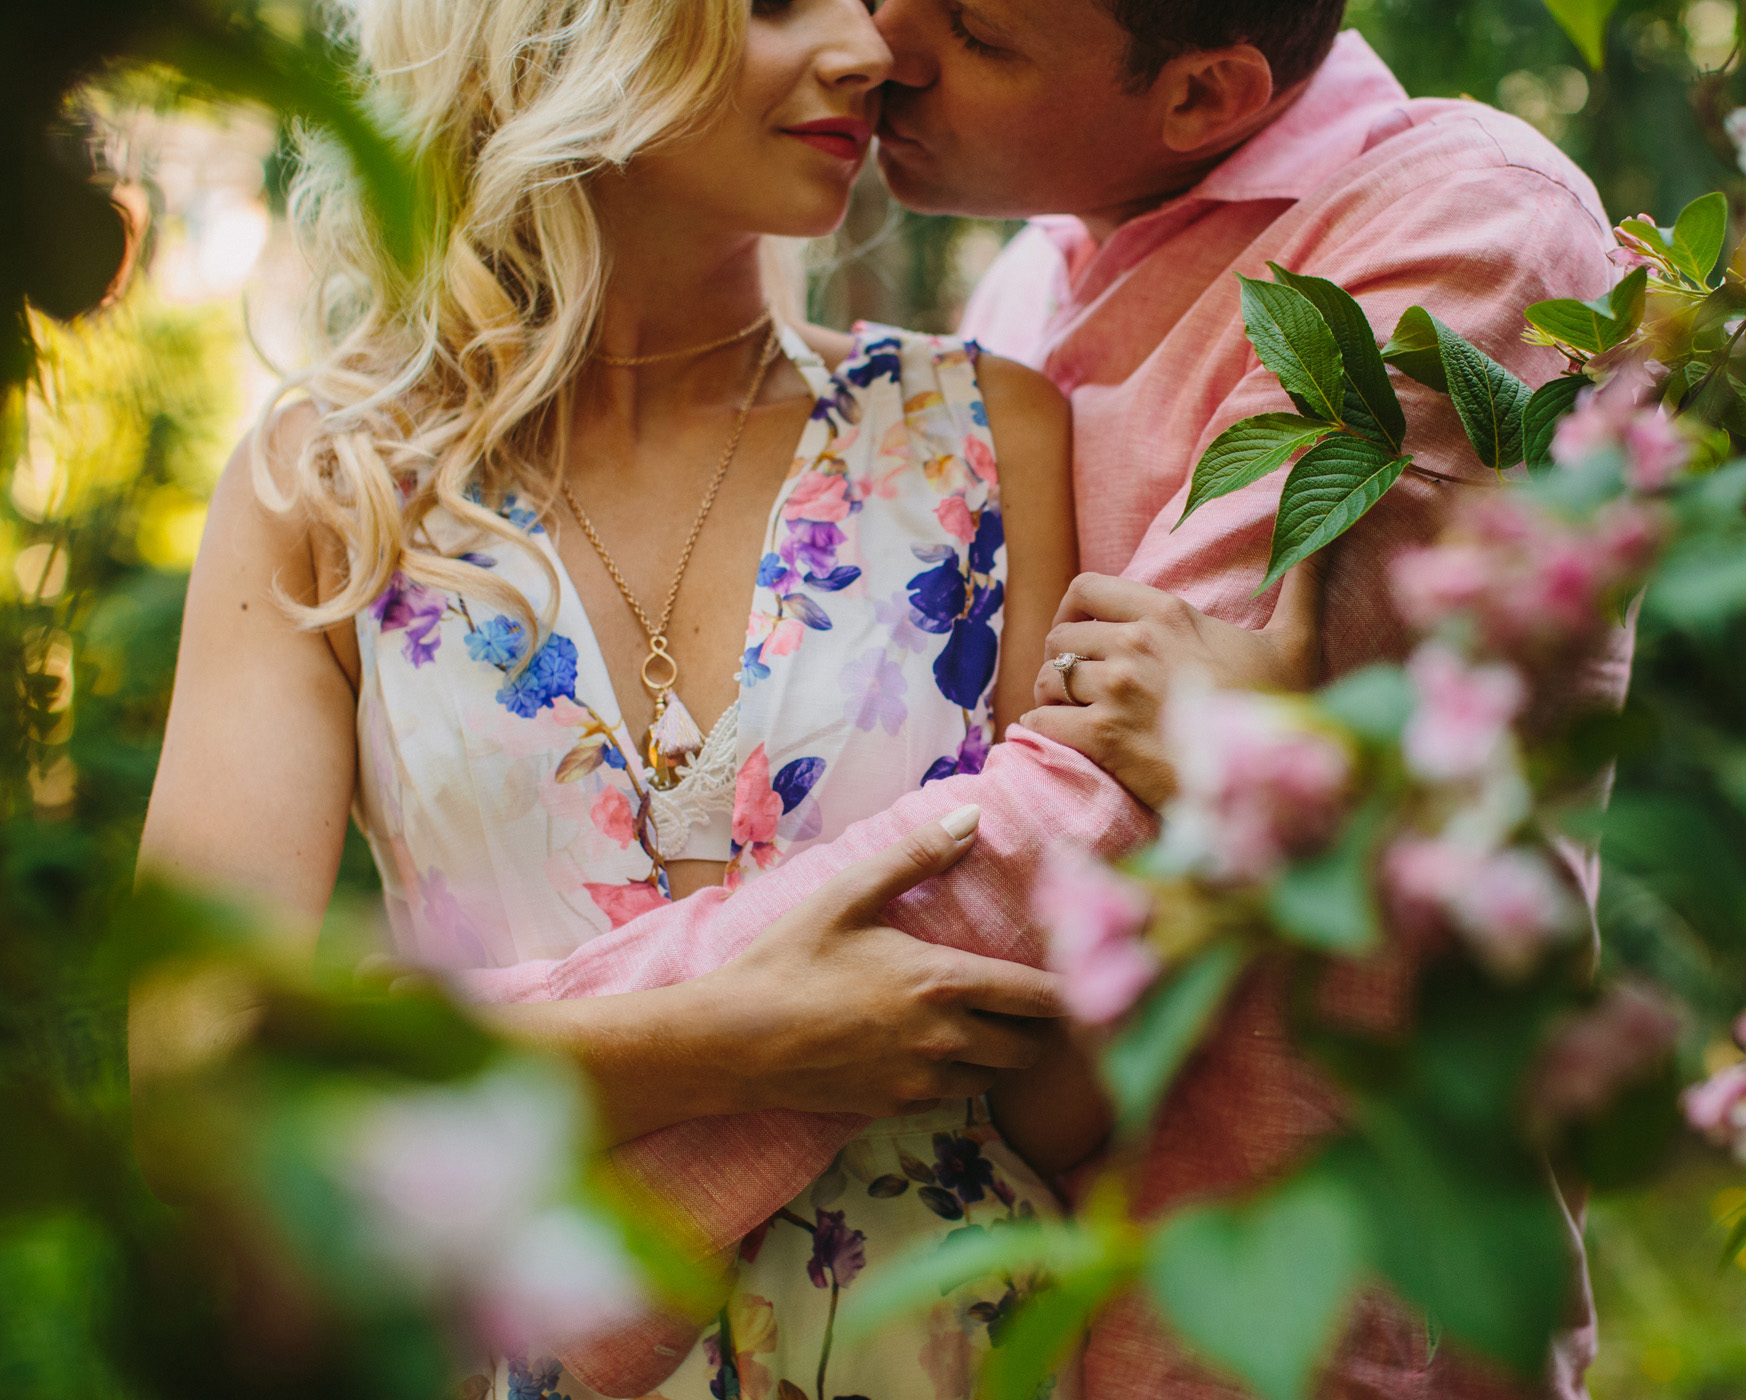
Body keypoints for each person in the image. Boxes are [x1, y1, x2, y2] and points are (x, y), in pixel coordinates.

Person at [460, 2, 1629, 1398]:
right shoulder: (1025, 290)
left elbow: (1050, 835)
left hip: (1325, 1316)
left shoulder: (1459, 226)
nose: (884, 45)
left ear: (1202, 95)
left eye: (976, 34)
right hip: (1017, 1310)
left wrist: (504, 1070)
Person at [132, 1, 1295, 1395]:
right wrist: (729, 1040)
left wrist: (1211, 821)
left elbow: (1056, 1102)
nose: (869, 51)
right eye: (771, 5)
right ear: (555, 33)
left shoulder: (991, 432)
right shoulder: (330, 490)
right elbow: (197, 1069)